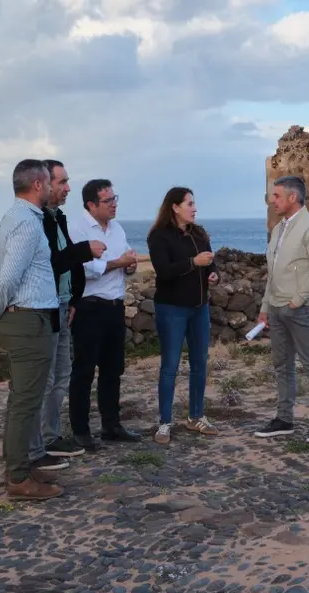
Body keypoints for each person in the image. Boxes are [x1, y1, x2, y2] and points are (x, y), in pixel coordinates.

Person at [0, 160, 92, 499]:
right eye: (51, 181)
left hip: (31, 319)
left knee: (23, 399)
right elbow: (7, 278)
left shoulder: (16, 217)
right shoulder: (27, 223)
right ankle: (17, 478)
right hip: (29, 321)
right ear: (39, 185)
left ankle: (21, 466)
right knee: (25, 401)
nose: (59, 188)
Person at [28, 160, 107, 469]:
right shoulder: (36, 221)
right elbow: (51, 263)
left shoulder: (57, 217)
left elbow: (67, 264)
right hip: (44, 307)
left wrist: (73, 298)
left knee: (61, 376)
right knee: (45, 379)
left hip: (62, 305)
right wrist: (85, 249)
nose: (67, 188)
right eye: (61, 182)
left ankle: (51, 437)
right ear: (43, 184)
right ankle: (35, 445)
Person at [253, 176, 309, 443]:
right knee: (281, 365)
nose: (272, 201)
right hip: (276, 309)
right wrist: (265, 307)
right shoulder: (278, 229)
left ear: (292, 197)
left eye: (276, 196)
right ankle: (284, 419)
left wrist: (297, 301)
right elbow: (273, 273)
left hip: (301, 309)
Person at [67, 179, 141, 449]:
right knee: (84, 371)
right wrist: (119, 263)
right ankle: (81, 431)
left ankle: (111, 426)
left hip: (114, 306)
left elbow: (123, 260)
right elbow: (82, 268)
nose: (114, 204)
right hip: (89, 307)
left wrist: (129, 266)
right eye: (108, 200)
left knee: (113, 369)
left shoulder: (117, 228)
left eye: (114, 198)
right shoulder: (76, 228)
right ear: (91, 204)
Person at [145, 187, 220, 445]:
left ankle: (196, 416)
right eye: (189, 204)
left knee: (199, 363)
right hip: (172, 309)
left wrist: (214, 273)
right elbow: (163, 271)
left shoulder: (199, 233)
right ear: (175, 207)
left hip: (199, 307)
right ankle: (164, 422)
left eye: (194, 203)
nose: (194, 208)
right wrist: (193, 263)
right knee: (170, 366)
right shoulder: (159, 236)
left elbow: (210, 262)